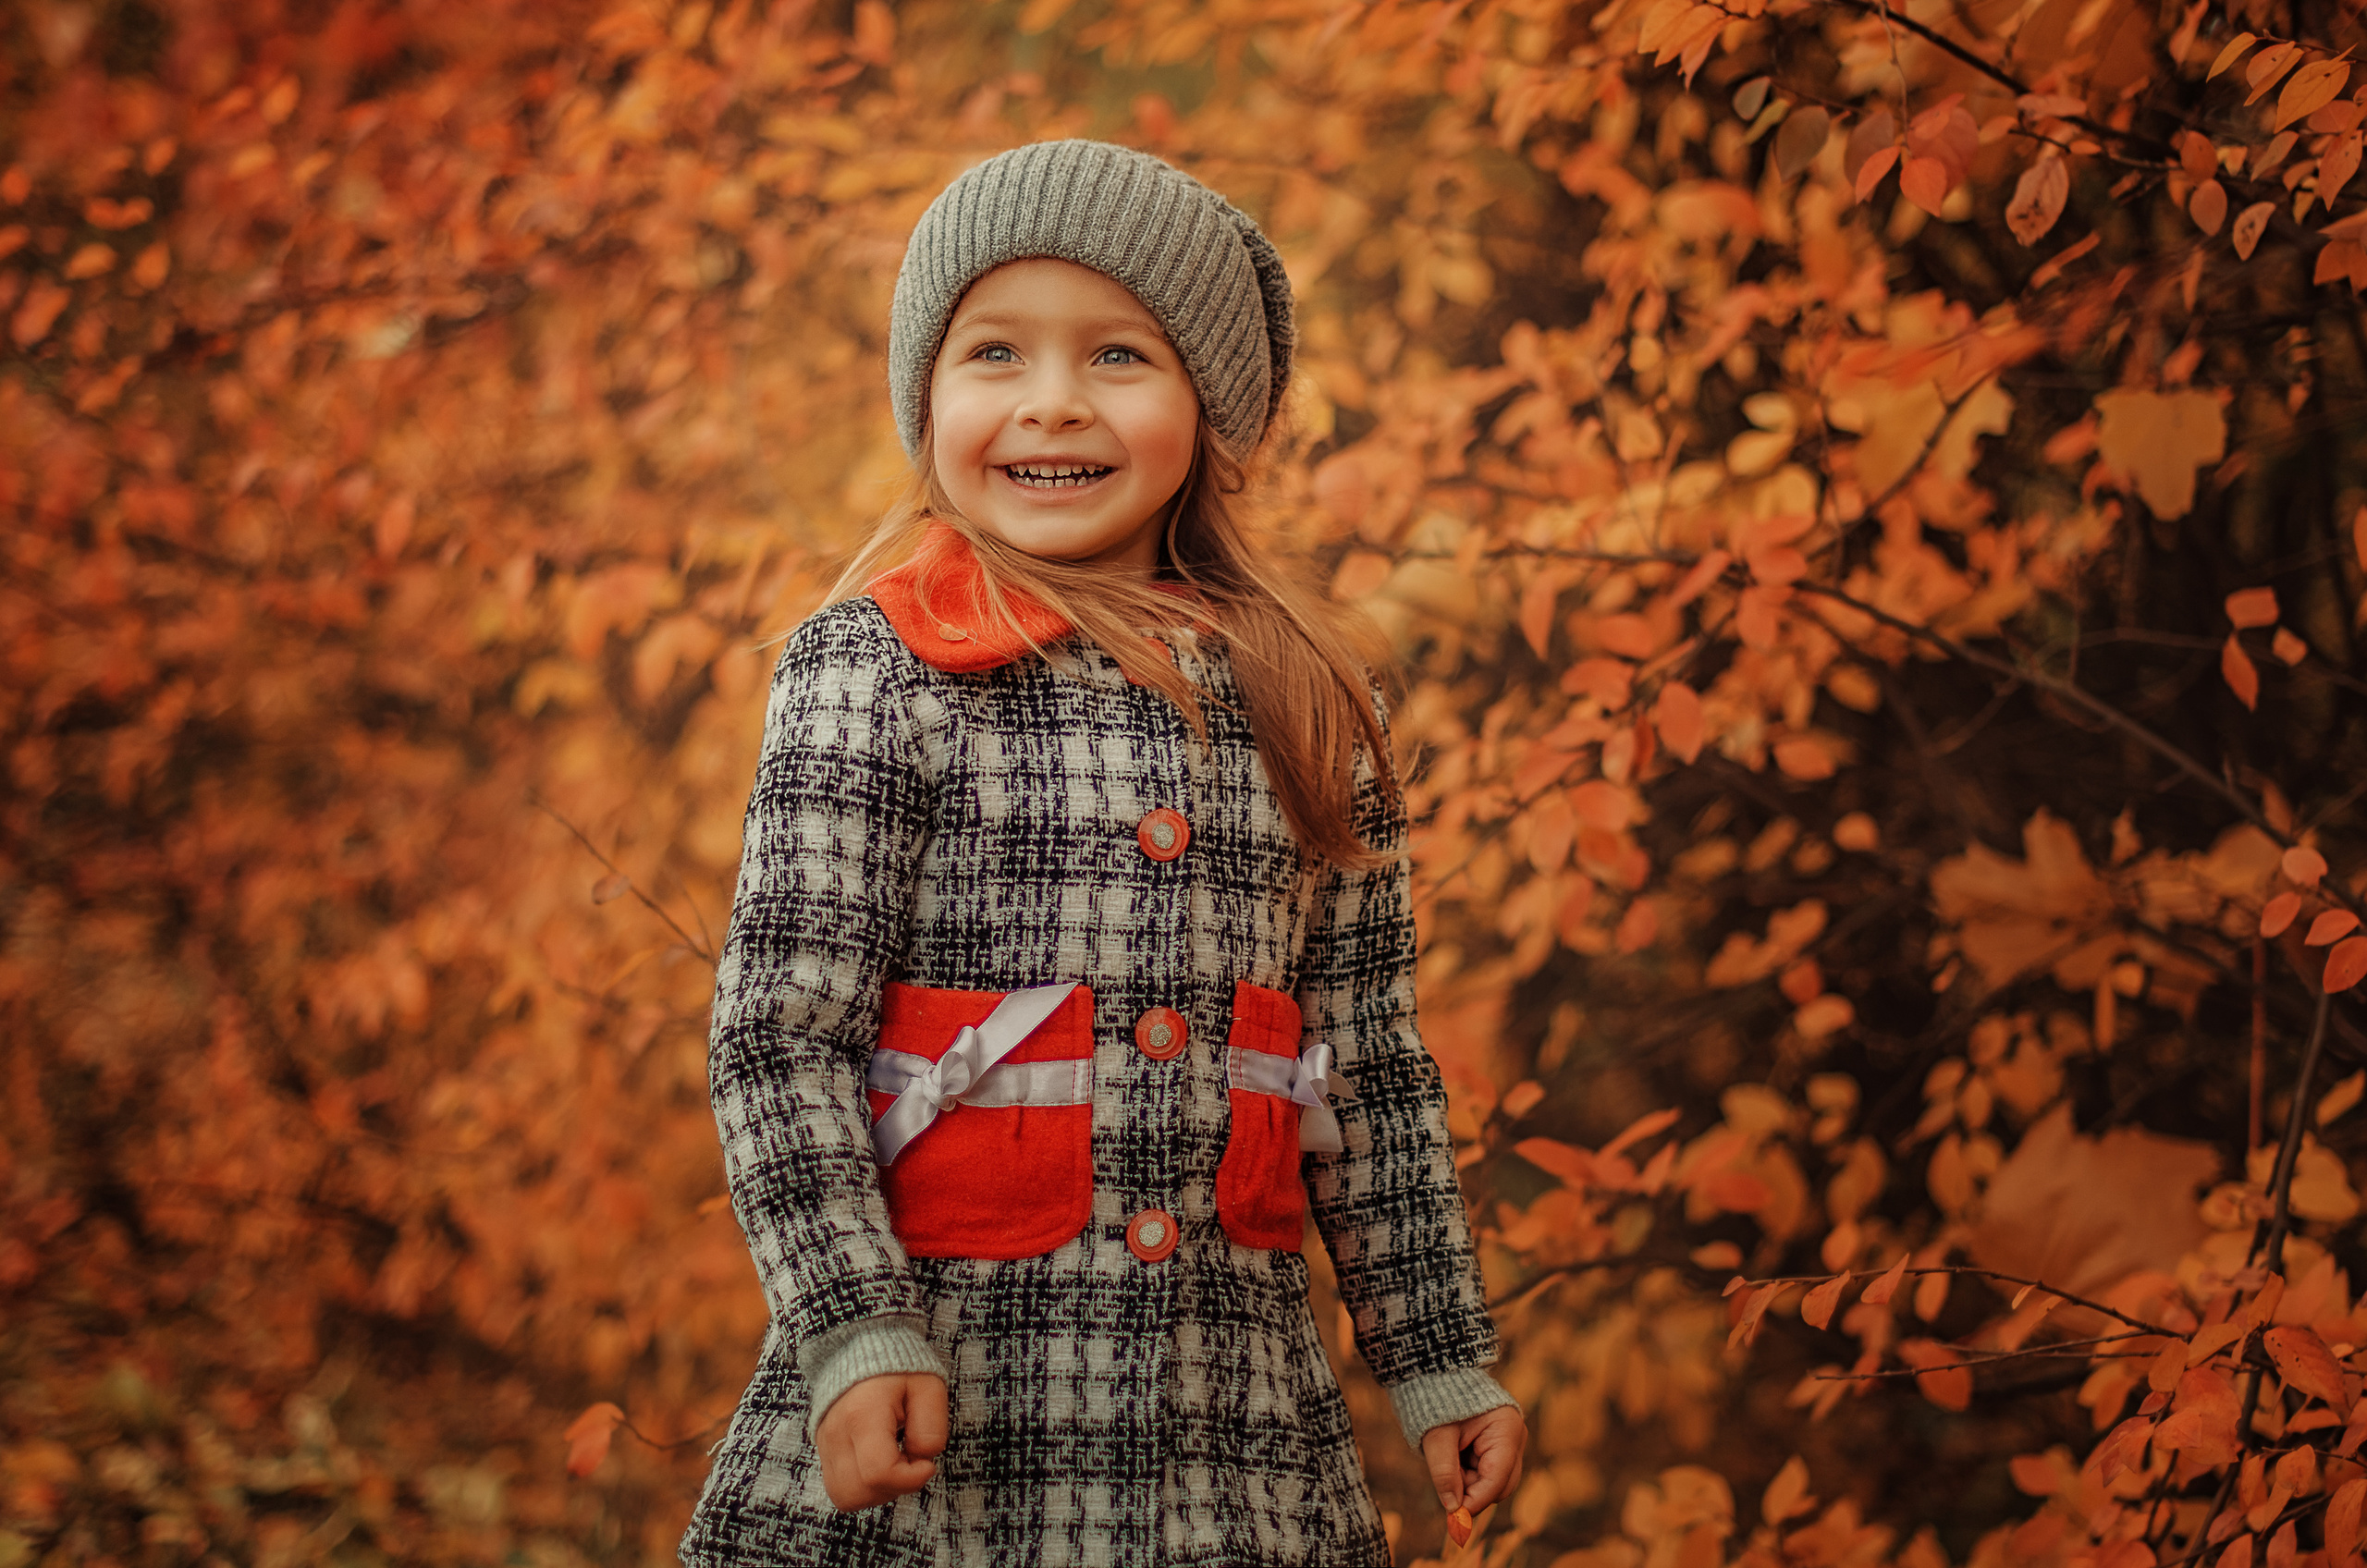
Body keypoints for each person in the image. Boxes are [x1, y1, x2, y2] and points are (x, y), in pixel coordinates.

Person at [681, 139, 1525, 1567]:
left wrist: (1438, 1354)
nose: (1052, 401)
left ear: (1211, 406)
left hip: (1234, 1459)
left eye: (1119, 354)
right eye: (994, 352)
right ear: (927, 399)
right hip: (950, 1444)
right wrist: (853, 1326)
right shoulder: (872, 675)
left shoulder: (1313, 704)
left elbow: (1364, 1067)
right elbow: (781, 1037)